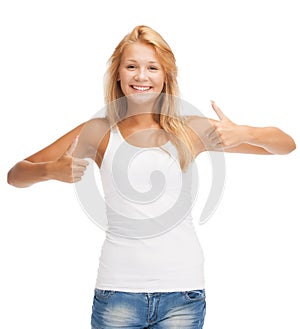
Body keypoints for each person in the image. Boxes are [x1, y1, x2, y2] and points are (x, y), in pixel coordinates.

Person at [7, 25, 296, 329]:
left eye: (152, 67)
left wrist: (245, 133)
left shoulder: (190, 129)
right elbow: (16, 175)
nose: (141, 76)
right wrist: (50, 171)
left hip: (182, 293)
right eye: (131, 66)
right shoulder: (99, 131)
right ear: (117, 74)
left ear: (166, 76)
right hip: (117, 292)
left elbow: (285, 146)